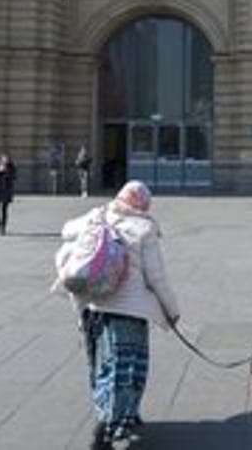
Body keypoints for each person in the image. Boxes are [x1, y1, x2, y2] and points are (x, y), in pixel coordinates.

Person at [61, 180, 181, 450]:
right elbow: (157, 278)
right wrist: (172, 312)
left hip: (94, 305)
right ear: (144, 204)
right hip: (129, 311)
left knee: (102, 364)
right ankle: (111, 423)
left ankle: (117, 414)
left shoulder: (97, 215)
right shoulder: (144, 228)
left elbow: (66, 230)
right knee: (127, 367)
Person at [0, 154, 18, 235]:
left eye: (6, 160)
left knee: (4, 210)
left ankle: (3, 227)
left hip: (6, 192)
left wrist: (7, 171)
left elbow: (14, 177)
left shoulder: (11, 168)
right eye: (3, 160)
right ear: (1, 160)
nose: (5, 161)